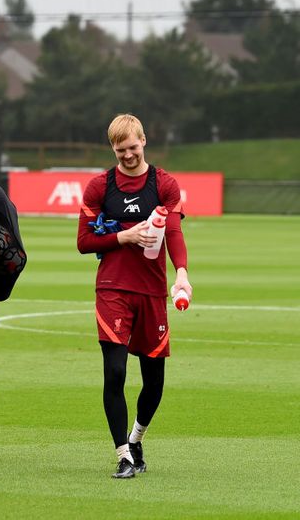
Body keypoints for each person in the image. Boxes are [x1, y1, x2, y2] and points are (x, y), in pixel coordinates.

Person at [77, 114, 192, 479]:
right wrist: (122, 237)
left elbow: (172, 232)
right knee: (115, 371)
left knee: (154, 380)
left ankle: (137, 437)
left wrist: (183, 275)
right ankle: (124, 454)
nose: (128, 155)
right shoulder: (100, 187)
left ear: (144, 140)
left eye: (133, 147)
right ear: (112, 148)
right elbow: (83, 242)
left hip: (153, 291)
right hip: (112, 288)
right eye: (120, 149)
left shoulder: (165, 184)